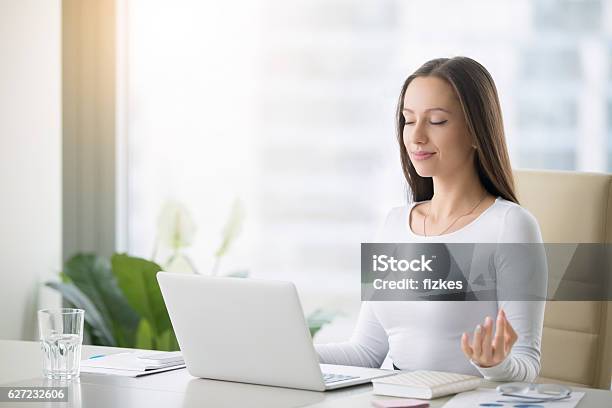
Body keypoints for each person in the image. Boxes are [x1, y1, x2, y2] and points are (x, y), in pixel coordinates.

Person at [315, 57, 546, 382]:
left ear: (476, 131)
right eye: (408, 121)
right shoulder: (393, 224)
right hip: (401, 400)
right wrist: (289, 353)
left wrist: (496, 365)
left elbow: (527, 365)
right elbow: (365, 352)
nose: (416, 136)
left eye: (436, 121)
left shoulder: (510, 226)